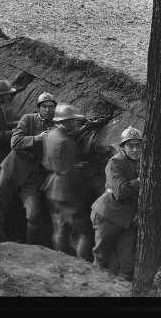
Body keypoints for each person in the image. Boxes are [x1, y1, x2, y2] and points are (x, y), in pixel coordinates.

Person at [0, 92, 57, 246]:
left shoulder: (56, 128)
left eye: (51, 107)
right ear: (38, 108)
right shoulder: (28, 119)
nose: (48, 110)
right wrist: (37, 139)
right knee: (2, 206)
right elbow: (15, 142)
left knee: (34, 214)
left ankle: (30, 249)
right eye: (44, 106)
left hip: (33, 178)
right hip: (12, 169)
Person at [41, 104, 94, 262]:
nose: (75, 123)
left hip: (53, 188)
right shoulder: (64, 141)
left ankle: (59, 260)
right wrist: (82, 167)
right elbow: (69, 172)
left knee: (61, 227)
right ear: (63, 122)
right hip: (66, 191)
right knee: (85, 230)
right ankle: (83, 265)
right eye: (71, 120)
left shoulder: (51, 135)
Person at [90, 126, 143, 281]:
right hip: (108, 216)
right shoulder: (115, 162)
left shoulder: (142, 162)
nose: (135, 150)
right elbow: (120, 191)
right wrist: (141, 181)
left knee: (128, 267)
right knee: (101, 260)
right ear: (122, 147)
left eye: (138, 146)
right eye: (130, 146)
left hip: (128, 221)